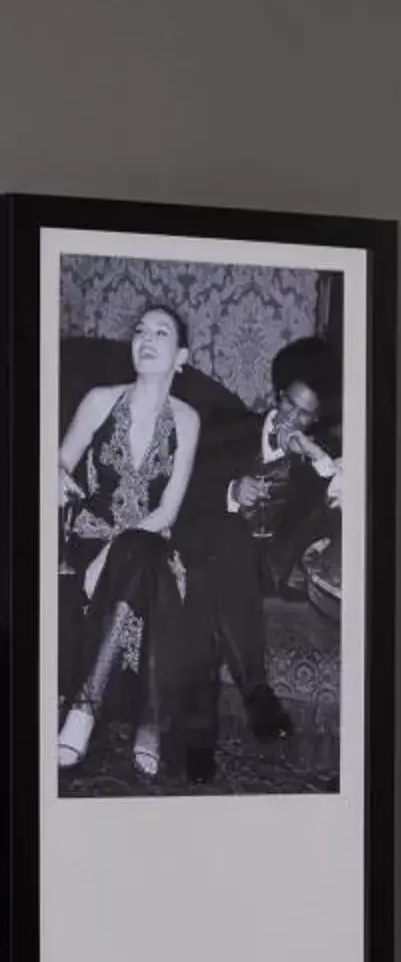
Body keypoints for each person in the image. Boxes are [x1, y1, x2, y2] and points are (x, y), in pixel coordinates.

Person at [177, 334, 337, 782]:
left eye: (306, 415)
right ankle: (254, 690)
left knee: (211, 582)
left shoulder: (317, 464)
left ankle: (198, 736)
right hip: (212, 549)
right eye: (290, 405)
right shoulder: (226, 427)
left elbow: (334, 513)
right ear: (275, 396)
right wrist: (231, 492)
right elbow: (186, 494)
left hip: (267, 572)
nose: (294, 419)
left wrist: (319, 462)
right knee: (214, 567)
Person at [55, 302, 202, 782]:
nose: (147, 339)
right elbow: (57, 463)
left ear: (181, 355)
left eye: (162, 333)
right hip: (90, 538)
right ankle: (149, 727)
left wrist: (116, 552)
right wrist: (57, 479)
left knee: (143, 552)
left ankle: (83, 710)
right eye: (140, 330)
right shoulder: (101, 399)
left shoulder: (187, 419)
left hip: (148, 541)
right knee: (146, 562)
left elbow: (170, 511)